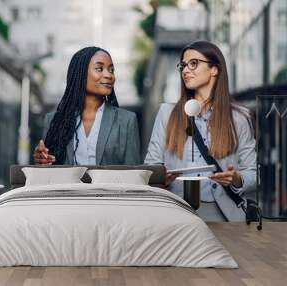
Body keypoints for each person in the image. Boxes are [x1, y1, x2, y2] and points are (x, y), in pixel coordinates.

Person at [144, 40, 256, 222]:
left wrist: (236, 179)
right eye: (183, 65)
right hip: (176, 211)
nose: (186, 70)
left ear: (214, 69)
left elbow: (253, 173)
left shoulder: (239, 117)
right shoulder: (167, 113)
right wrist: (161, 176)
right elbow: (150, 166)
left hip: (224, 214)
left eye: (193, 63)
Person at [34, 46, 141, 165]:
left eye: (111, 70)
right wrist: (42, 160)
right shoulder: (54, 120)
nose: (109, 75)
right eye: (99, 69)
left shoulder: (126, 121)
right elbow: (47, 168)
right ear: (81, 73)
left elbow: (133, 174)